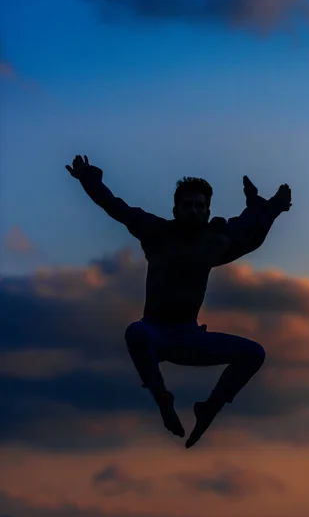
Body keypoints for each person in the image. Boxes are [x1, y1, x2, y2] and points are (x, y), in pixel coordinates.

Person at [66, 155, 292, 448]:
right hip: (155, 333)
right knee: (135, 332)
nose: (193, 211)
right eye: (187, 205)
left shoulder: (214, 240)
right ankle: (163, 399)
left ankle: (209, 407)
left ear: (207, 210)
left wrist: (272, 207)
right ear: (175, 209)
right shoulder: (156, 231)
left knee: (254, 353)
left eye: (200, 206)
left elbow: (248, 229)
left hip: (189, 338)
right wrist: (88, 177)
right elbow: (115, 207)